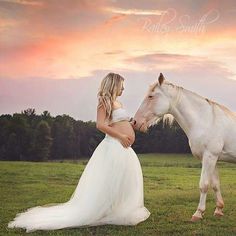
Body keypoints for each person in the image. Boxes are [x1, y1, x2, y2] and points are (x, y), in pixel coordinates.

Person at [8, 72, 150, 233]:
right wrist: (121, 136)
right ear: (113, 85)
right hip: (114, 146)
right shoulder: (104, 102)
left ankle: (117, 209)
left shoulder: (119, 103)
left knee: (123, 180)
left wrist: (131, 124)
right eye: (121, 85)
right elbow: (100, 125)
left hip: (124, 148)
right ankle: (101, 210)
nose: (123, 88)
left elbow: (119, 121)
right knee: (109, 179)